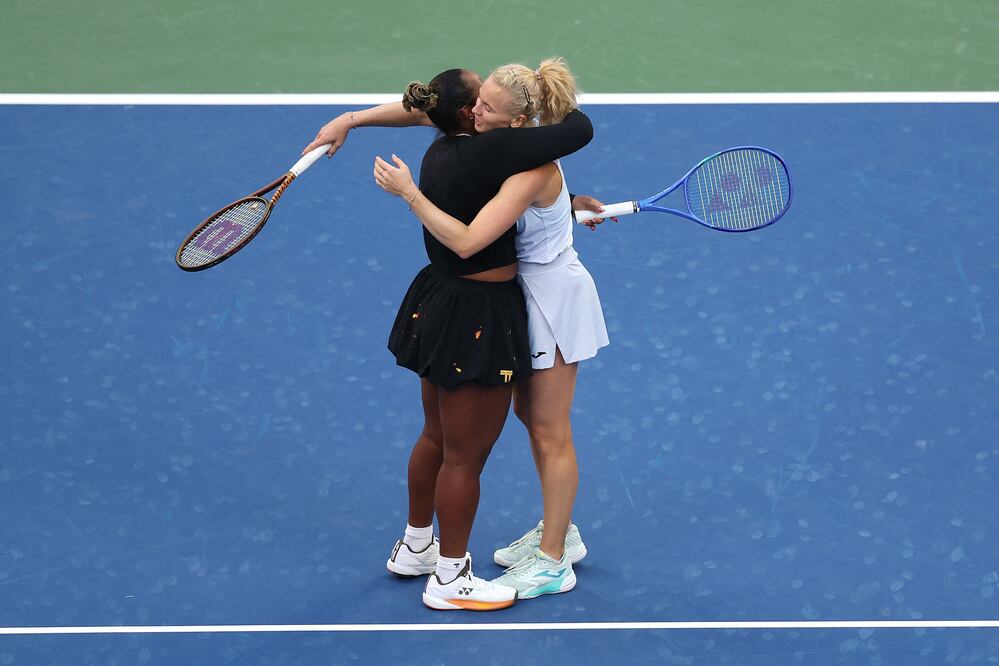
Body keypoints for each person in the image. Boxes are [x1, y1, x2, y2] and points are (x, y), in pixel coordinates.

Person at [306, 67, 593, 611]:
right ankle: (451, 576)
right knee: (469, 450)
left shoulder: (458, 148)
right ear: (466, 113)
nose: (480, 111)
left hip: (481, 302)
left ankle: (542, 549)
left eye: (490, 105)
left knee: (505, 432)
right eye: (477, 103)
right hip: (485, 311)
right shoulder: (500, 156)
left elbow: (520, 196)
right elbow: (573, 135)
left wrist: (352, 120)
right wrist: (409, 194)